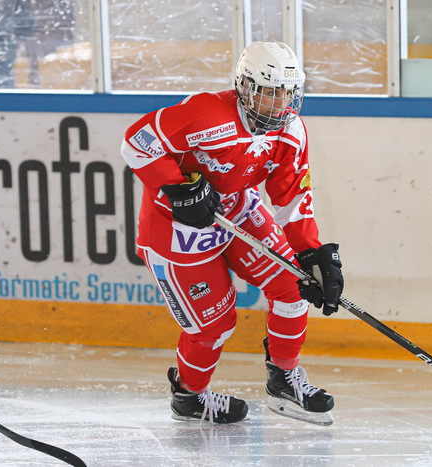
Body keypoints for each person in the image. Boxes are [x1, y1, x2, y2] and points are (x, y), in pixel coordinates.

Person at [120, 42, 344, 425]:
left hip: (237, 210)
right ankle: (189, 396)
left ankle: (284, 379)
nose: (280, 103)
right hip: (177, 229)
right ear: (245, 87)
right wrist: (178, 187)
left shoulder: (291, 131)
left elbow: (292, 197)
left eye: (288, 93)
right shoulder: (206, 114)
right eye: (270, 92)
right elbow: (136, 142)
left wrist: (311, 253)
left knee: (294, 284)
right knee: (214, 326)